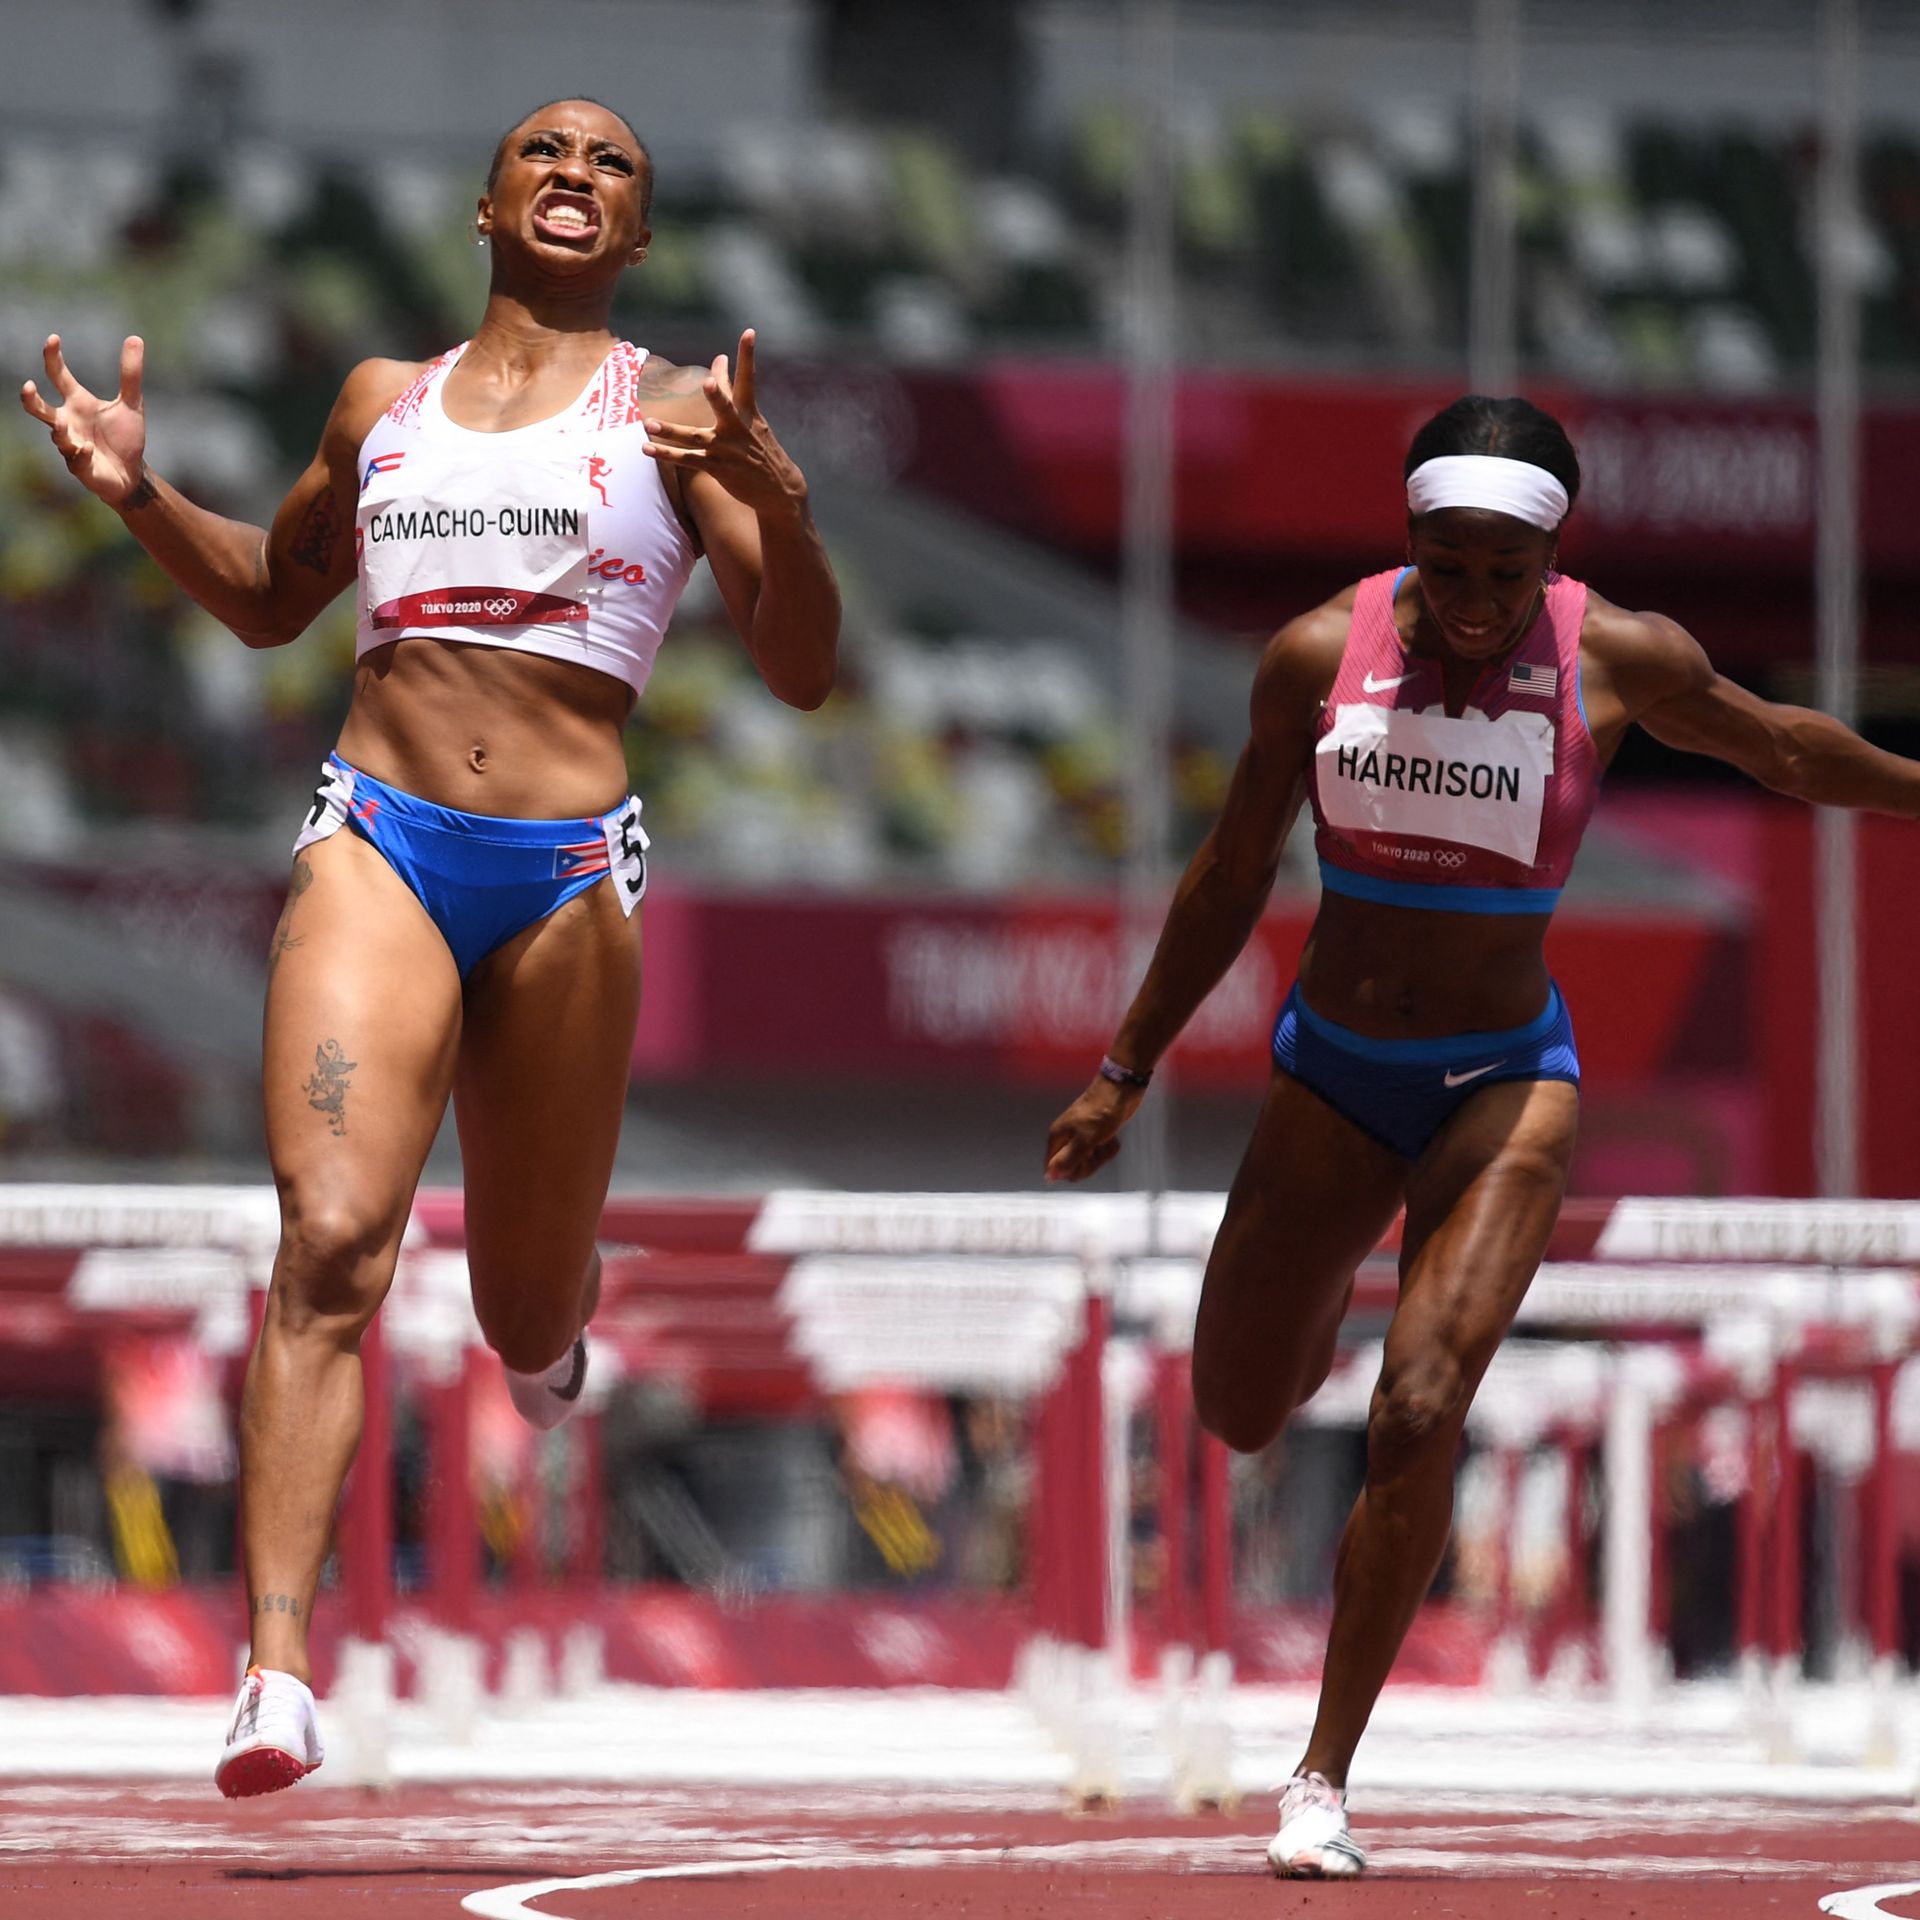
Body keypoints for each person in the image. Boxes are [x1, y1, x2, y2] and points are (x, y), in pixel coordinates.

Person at [21, 96, 839, 1798]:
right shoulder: (380, 404)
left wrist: (790, 510)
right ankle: (276, 1671)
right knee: (327, 1240)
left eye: (617, 162)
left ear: (635, 233)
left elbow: (802, 672)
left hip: (562, 873)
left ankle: (551, 1343)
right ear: (485, 207)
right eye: (546, 150)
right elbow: (268, 600)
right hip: (379, 839)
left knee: (516, 1298)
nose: (577, 172)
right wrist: (137, 492)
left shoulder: (688, 417)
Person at [1043, 394, 1920, 1877]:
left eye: (1507, 578)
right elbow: (1228, 870)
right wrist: (1124, 1069)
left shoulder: (1621, 656)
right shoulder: (1320, 656)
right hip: (1334, 1078)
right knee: (1240, 1406)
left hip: (1508, 1081)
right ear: (1407, 540)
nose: (1471, 605)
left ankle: (1320, 1777)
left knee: (1419, 1405)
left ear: (1554, 560)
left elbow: (1777, 748)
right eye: (1445, 569)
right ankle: (1322, 1291)